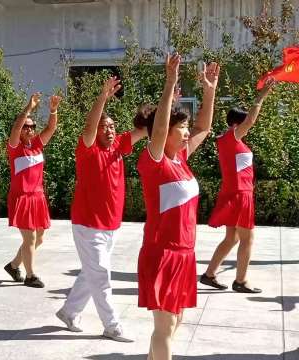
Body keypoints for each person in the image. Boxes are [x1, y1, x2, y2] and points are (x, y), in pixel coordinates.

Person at [134, 54, 219, 360]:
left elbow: (205, 127)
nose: (186, 133)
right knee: (165, 324)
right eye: (181, 128)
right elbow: (157, 131)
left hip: (185, 253)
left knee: (174, 322)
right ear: (166, 132)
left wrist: (210, 89)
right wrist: (170, 81)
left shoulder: (181, 160)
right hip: (162, 253)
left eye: (185, 129)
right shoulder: (154, 162)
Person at [55, 76, 146, 342]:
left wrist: (168, 104)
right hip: (88, 225)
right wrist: (102, 98)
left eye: (112, 126)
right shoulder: (87, 149)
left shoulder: (119, 144)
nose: (108, 130)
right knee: (101, 276)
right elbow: (89, 126)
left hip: (111, 225)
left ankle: (69, 312)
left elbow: (146, 131)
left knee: (91, 272)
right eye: (104, 126)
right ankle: (112, 325)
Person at [200, 79, 275, 294]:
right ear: (235, 124)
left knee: (232, 237)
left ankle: (209, 274)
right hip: (240, 194)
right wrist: (261, 97)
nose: (247, 128)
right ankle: (240, 281)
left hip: (234, 192)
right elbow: (250, 120)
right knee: (247, 238)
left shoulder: (228, 139)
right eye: (243, 124)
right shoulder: (232, 137)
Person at [3, 92, 62, 288]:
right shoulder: (14, 147)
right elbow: (16, 126)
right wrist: (28, 108)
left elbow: (52, 127)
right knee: (30, 238)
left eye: (32, 126)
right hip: (22, 198)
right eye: (26, 127)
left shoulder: (37, 145)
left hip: (38, 197)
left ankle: (13, 266)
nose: (29, 129)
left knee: (40, 238)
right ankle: (30, 275)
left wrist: (53, 110)